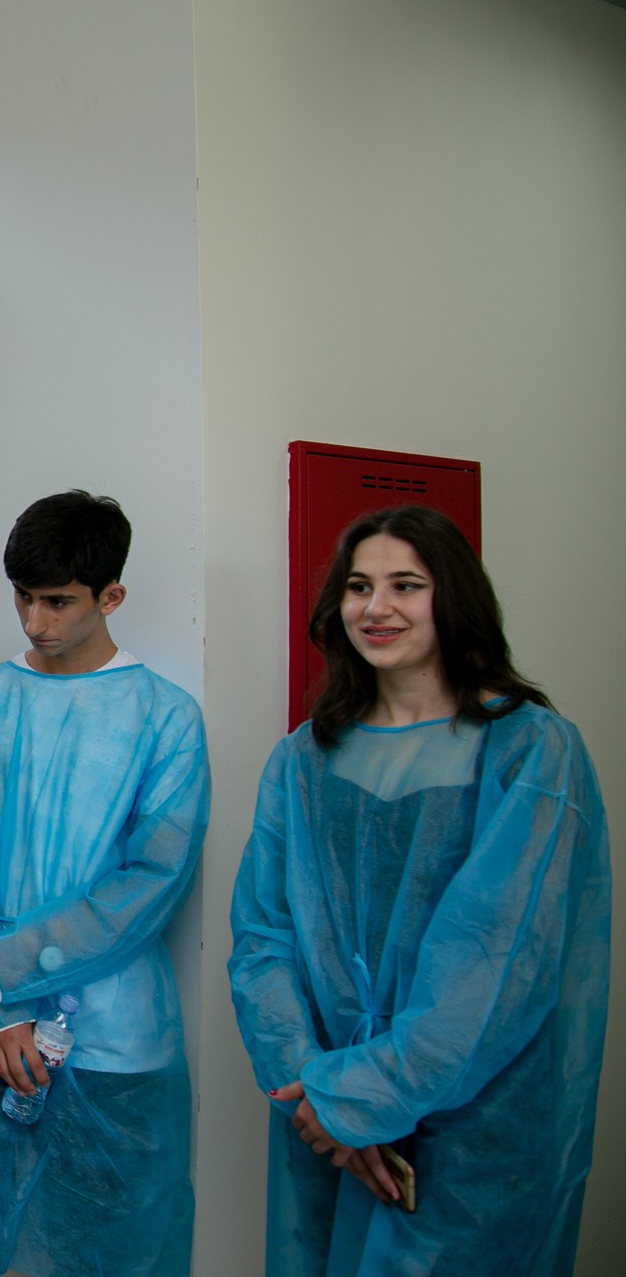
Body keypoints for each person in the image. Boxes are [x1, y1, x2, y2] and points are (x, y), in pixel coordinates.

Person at [226, 506, 609, 1277]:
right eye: (358, 586)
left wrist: (357, 1100)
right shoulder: (302, 759)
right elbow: (263, 939)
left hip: (471, 1131)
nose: (377, 607)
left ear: (454, 596)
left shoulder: (531, 749)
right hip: (321, 1127)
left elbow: (498, 967)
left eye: (406, 584)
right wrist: (315, 1091)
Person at [0, 490, 208, 1277]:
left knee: (103, 1254)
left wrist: (5, 965)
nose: (34, 621)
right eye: (22, 597)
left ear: (112, 595)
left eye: (58, 601)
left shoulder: (165, 717)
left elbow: (150, 881)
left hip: (110, 1035)